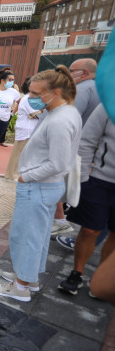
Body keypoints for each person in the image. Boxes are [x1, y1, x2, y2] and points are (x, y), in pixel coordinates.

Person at [0, 66, 82, 301]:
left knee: (27, 236)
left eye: (36, 94)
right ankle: (28, 277)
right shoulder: (61, 112)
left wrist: (25, 176)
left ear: (56, 92)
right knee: (35, 235)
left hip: (39, 185)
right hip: (43, 186)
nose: (31, 99)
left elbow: (58, 163)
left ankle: (21, 287)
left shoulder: (60, 120)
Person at [56, 104, 115, 296]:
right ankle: (77, 273)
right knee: (90, 229)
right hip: (101, 179)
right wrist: (82, 179)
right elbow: (87, 140)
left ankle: (100, 278)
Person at [52, 58, 101, 238]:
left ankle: (60, 221)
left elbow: (68, 119)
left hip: (75, 148)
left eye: (72, 70)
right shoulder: (100, 89)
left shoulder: (80, 90)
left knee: (58, 181)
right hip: (92, 150)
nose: (69, 74)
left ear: (85, 72)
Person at [4, 77, 41, 181]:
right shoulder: (29, 98)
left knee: (21, 154)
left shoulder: (33, 98)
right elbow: (37, 114)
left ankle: (12, 175)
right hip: (26, 130)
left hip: (29, 130)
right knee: (19, 154)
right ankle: (12, 175)